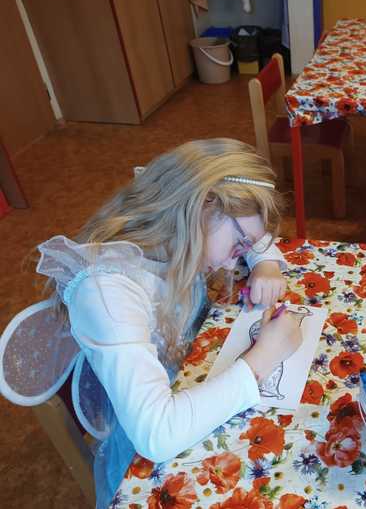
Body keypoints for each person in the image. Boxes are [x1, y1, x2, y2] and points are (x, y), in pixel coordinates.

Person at [1, 139, 302, 508]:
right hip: (147, 458)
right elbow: (156, 434)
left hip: (189, 382)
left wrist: (263, 263)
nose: (230, 264)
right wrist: (264, 357)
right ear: (204, 205)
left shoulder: (177, 220)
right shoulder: (108, 292)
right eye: (238, 246)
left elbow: (251, 231)